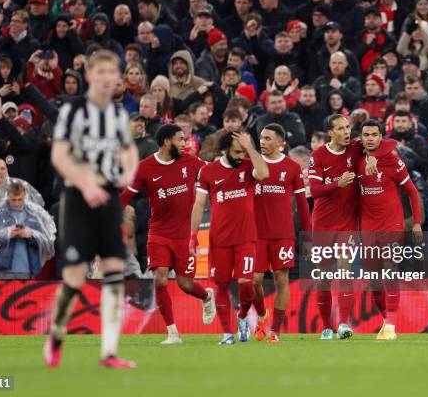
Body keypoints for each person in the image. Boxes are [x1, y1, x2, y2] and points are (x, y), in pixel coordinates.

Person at [45, 50, 139, 369]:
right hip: (78, 199)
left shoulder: (118, 115)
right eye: (100, 71)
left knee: (115, 270)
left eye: (112, 72)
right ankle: (56, 332)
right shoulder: (73, 111)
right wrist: (85, 184)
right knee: (74, 278)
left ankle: (109, 353)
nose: (107, 77)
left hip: (110, 200)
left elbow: (129, 150)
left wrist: (127, 173)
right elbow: (59, 156)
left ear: (117, 78)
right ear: (89, 76)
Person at [120, 124, 216, 344]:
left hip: (184, 235)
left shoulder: (191, 162)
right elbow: (125, 196)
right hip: (159, 233)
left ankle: (206, 296)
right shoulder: (145, 167)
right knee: (160, 278)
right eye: (180, 139)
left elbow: (214, 171)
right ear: (166, 142)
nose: (185, 143)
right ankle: (173, 333)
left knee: (186, 284)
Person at [308, 114, 395, 340]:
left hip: (347, 223)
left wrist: (375, 155)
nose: (347, 132)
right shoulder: (317, 156)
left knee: (345, 268)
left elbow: (388, 143)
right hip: (322, 223)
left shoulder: (354, 148)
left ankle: (344, 324)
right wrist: (338, 184)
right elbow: (314, 190)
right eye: (341, 129)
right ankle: (327, 326)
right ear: (330, 133)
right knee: (324, 277)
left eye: (348, 128)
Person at [190, 131, 269, 345]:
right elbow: (198, 204)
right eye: (236, 151)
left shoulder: (248, 166)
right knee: (221, 286)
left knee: (246, 285)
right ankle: (227, 333)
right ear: (225, 149)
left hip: (246, 237)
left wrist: (250, 148)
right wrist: (193, 235)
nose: (240, 155)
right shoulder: (208, 171)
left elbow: (264, 174)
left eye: (242, 151)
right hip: (219, 240)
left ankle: (242, 315)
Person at [357, 119, 423, 340]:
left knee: (389, 268)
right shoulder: (356, 161)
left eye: (374, 135)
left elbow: (413, 192)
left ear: (380, 137)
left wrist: (416, 222)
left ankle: (392, 325)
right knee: (374, 277)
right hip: (367, 225)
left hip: (392, 224)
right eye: (366, 135)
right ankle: (386, 320)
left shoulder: (393, 161)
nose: (370, 139)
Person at [251, 124, 311, 343]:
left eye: (268, 139)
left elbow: (303, 205)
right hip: (256, 233)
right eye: (261, 138)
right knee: (254, 281)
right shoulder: (253, 164)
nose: (263, 142)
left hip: (283, 233)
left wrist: (308, 235)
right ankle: (261, 315)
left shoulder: (292, 167)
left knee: (281, 280)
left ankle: (275, 330)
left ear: (280, 143)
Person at [0, 181, 55, 280]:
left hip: (29, 268)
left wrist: (31, 234)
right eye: (13, 200)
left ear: (25, 194)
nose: (17, 203)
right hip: (3, 269)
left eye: (20, 199)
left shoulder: (35, 213)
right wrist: (5, 234)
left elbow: (48, 239)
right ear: (7, 195)